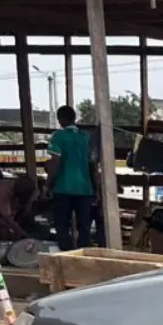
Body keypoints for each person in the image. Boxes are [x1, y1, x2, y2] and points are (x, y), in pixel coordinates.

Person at [46, 104, 96, 251]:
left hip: (64, 186)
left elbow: (55, 163)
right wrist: (96, 188)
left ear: (61, 119)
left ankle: (67, 250)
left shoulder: (58, 136)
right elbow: (93, 165)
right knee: (84, 224)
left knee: (62, 223)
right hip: (85, 188)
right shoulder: (86, 138)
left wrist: (48, 184)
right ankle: (84, 251)